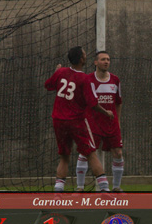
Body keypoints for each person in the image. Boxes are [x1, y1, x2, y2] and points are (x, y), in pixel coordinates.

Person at [45, 46, 114, 192]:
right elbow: (93, 103)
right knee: (91, 153)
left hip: (58, 121)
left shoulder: (62, 72)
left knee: (64, 156)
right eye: (84, 53)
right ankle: (105, 189)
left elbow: (48, 85)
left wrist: (56, 72)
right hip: (76, 121)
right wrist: (105, 112)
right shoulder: (84, 78)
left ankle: (58, 192)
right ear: (82, 59)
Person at [75, 51, 124, 192]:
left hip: (111, 124)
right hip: (92, 124)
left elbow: (119, 102)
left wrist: (118, 121)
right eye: (103, 59)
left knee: (118, 153)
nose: (106, 62)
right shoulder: (88, 79)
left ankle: (116, 187)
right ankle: (79, 187)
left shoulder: (115, 80)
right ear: (96, 62)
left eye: (108, 59)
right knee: (85, 153)